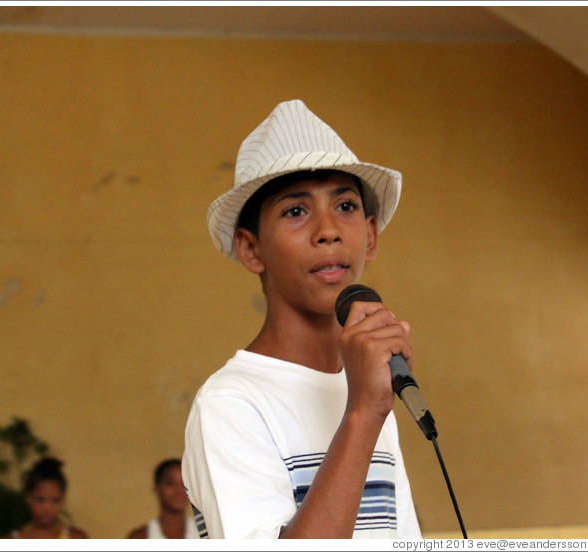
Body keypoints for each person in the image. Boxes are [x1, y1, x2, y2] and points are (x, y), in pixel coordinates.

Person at [182, 99, 422, 539]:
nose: (328, 230)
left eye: (345, 206)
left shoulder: (369, 385)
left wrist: (369, 406)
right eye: (296, 211)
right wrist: (364, 412)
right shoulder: (231, 404)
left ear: (370, 236)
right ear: (251, 249)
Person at [8, 456, 88, 539]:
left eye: (55, 501)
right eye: (40, 500)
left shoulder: (75, 538)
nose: (47, 508)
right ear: (29, 498)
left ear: (63, 500)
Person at [126, 458, 199, 539]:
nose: (179, 490)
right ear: (156, 488)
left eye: (185, 483)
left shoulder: (207, 533)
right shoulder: (140, 537)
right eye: (170, 483)